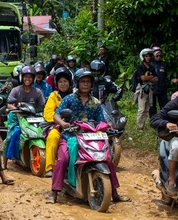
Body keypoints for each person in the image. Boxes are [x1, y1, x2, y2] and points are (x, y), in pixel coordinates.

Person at [47, 69, 129, 204]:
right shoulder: (69, 99)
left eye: (88, 82)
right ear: (77, 83)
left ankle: (115, 193)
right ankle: (54, 192)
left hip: (90, 137)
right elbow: (56, 114)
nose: (85, 84)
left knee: (107, 160)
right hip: (69, 136)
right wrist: (63, 123)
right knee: (62, 159)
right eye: (83, 81)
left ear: (92, 84)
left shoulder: (96, 102)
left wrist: (107, 125)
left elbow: (102, 119)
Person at [1, 66, 45, 174]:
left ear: (33, 78)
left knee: (42, 132)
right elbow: (9, 104)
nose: (28, 79)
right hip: (16, 116)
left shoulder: (37, 92)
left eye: (30, 77)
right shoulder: (16, 90)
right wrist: (16, 108)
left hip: (32, 116)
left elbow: (42, 104)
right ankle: (4, 161)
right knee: (10, 136)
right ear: (22, 77)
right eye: (26, 77)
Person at [43, 68, 74, 174]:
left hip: (76, 125)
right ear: (56, 83)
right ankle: (50, 167)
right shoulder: (53, 95)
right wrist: (61, 121)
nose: (63, 84)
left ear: (70, 82)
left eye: (65, 81)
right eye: (60, 82)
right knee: (52, 137)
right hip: (58, 126)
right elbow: (48, 114)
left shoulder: (76, 95)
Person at [133, 48, 158, 130]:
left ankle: (142, 125)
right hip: (142, 89)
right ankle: (139, 126)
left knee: (147, 109)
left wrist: (148, 78)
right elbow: (143, 78)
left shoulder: (152, 67)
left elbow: (156, 79)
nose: (148, 58)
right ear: (143, 57)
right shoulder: (140, 67)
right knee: (141, 109)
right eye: (146, 56)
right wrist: (151, 77)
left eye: (149, 56)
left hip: (149, 89)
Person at [151, 48, 168, 114]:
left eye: (160, 56)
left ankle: (163, 119)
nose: (159, 57)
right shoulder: (150, 64)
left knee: (164, 106)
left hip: (162, 88)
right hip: (152, 88)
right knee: (152, 106)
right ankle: (153, 119)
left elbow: (165, 75)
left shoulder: (163, 65)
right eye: (157, 56)